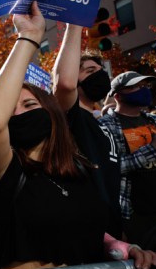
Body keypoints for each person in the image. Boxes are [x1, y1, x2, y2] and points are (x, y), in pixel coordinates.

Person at [0, 3, 156, 269]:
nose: (19, 112)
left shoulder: (78, 170)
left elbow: (85, 226)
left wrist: (126, 247)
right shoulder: (3, 169)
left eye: (30, 105)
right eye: (13, 107)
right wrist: (29, 38)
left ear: (51, 115)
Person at [99, 72, 156, 246]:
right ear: (118, 95)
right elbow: (111, 168)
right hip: (135, 216)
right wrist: (155, 148)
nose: (144, 90)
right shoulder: (105, 125)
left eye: (146, 86)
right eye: (137, 87)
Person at [52, 25, 122, 237]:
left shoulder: (100, 121)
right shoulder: (70, 116)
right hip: (90, 230)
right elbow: (63, 83)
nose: (99, 75)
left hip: (113, 226)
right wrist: (74, 24)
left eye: (101, 71)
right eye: (89, 71)